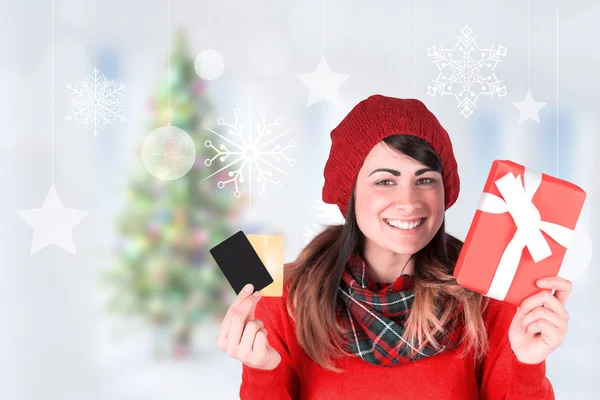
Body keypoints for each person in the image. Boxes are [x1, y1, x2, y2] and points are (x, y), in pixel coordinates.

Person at [216, 95, 572, 399]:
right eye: (385, 180)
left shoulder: (489, 298)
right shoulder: (285, 299)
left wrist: (527, 364)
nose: (409, 202)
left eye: (425, 179)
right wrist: (261, 371)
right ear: (350, 194)